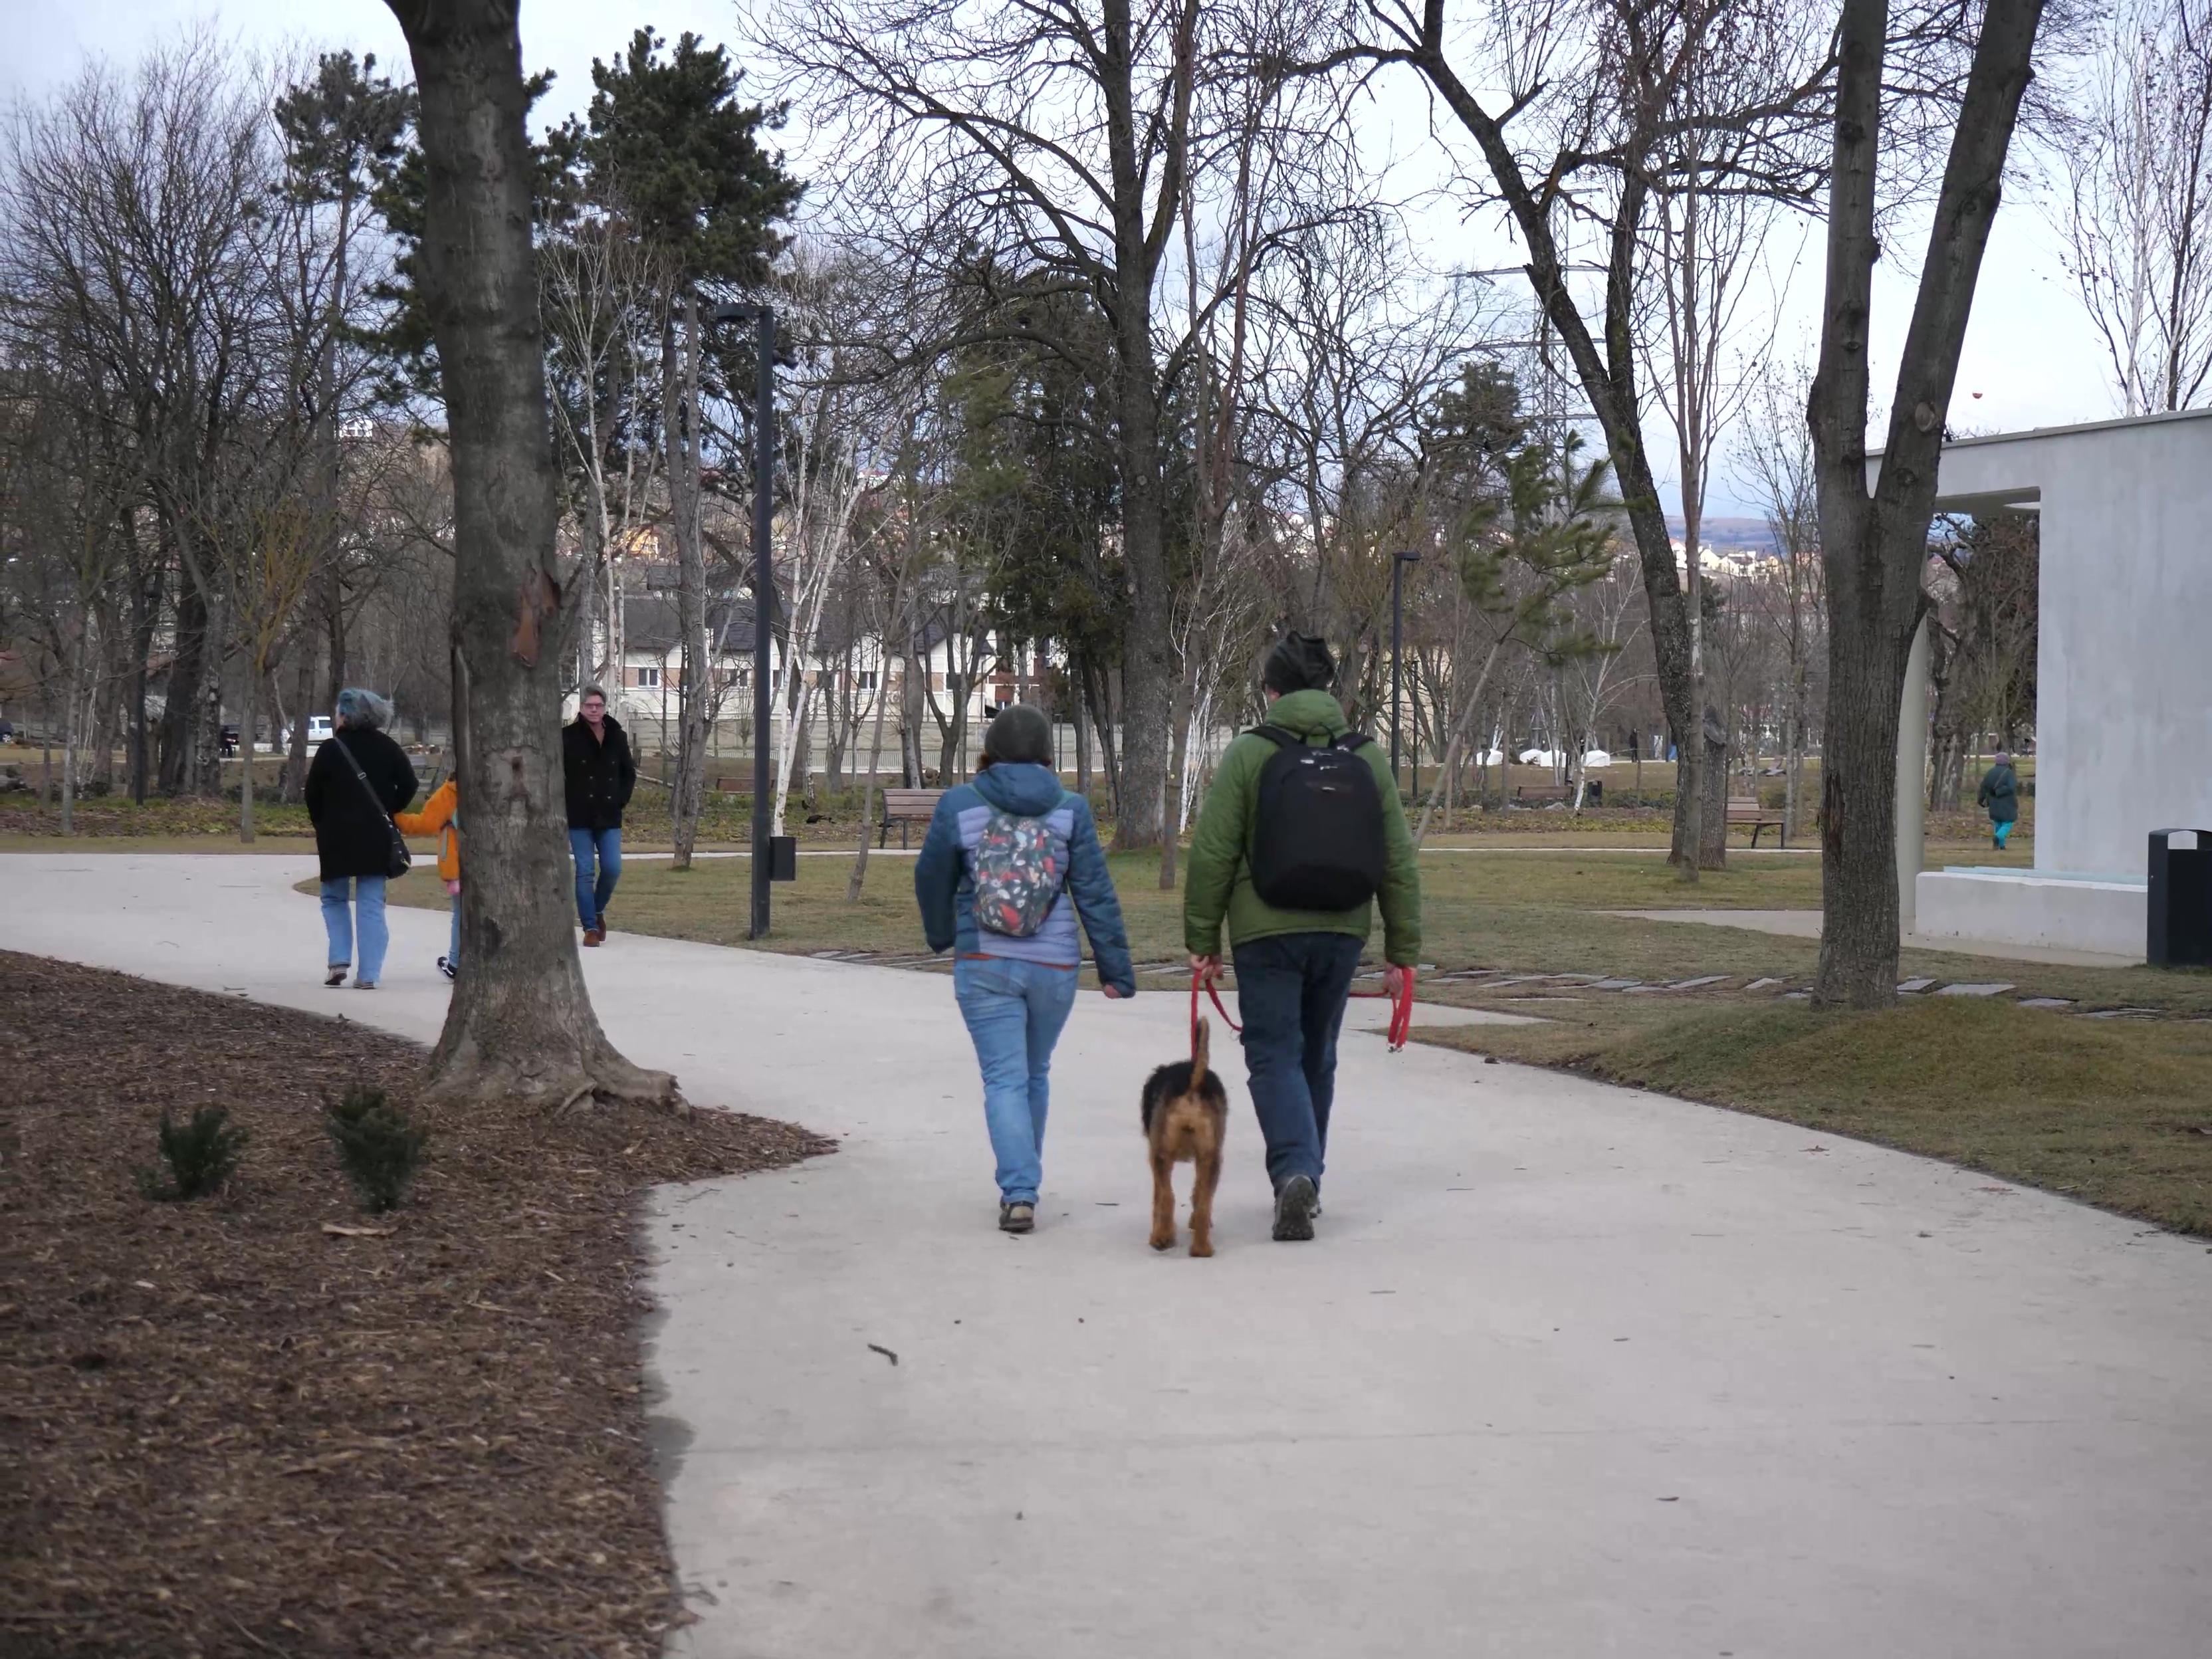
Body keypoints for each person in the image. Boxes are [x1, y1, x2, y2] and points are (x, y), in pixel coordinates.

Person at [1183, 632, 1422, 1242]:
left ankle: (1293, 1171)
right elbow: (1397, 859)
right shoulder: (1366, 755)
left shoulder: (1248, 753)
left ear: (1271, 691)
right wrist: (1402, 953)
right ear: (1329, 690)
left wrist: (1203, 938)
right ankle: (1306, 1178)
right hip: (1343, 926)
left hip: (1265, 930)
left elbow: (1214, 852)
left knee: (1273, 1052)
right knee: (1317, 1053)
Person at [915, 703, 1135, 1234]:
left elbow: (930, 875)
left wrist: (944, 934)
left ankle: (1020, 1191)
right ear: (1045, 756)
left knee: (1004, 1079)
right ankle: (1024, 1184)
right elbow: (1094, 892)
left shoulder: (959, 804)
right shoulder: (1070, 809)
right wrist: (1115, 970)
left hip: (985, 962)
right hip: (1054, 965)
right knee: (1033, 1074)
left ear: (988, 754)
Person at [304, 688, 417, 990]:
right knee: (370, 903)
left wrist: (323, 823)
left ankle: (338, 961)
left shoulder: (331, 749)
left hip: (336, 837)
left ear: (346, 714)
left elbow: (312, 794)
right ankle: (368, 973)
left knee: (334, 898)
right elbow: (409, 783)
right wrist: (389, 809)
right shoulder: (388, 747)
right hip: (376, 836)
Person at [562, 684, 635, 945]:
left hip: (609, 814)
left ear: (604, 708)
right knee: (584, 871)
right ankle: (590, 928)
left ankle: (597, 909)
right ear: (581, 708)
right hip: (579, 814)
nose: (594, 710)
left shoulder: (617, 736)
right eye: (589, 705)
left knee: (613, 868)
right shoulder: (567, 737)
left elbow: (629, 773)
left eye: (598, 705)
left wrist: (620, 800)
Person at [395, 757, 463, 981]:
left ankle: (455, 962)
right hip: (494, 866)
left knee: (461, 915)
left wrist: (397, 818)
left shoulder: (449, 794)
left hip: (457, 866)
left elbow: (426, 823)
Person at [1978, 749, 2021, 851]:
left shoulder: (1990, 773)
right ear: (2007, 761)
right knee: (2008, 823)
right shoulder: (2009, 773)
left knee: (1998, 823)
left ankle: (2001, 846)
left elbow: (1983, 787)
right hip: (2007, 802)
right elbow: (2011, 787)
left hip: (1993, 802)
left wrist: (1981, 800)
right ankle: (1998, 837)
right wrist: (1999, 792)